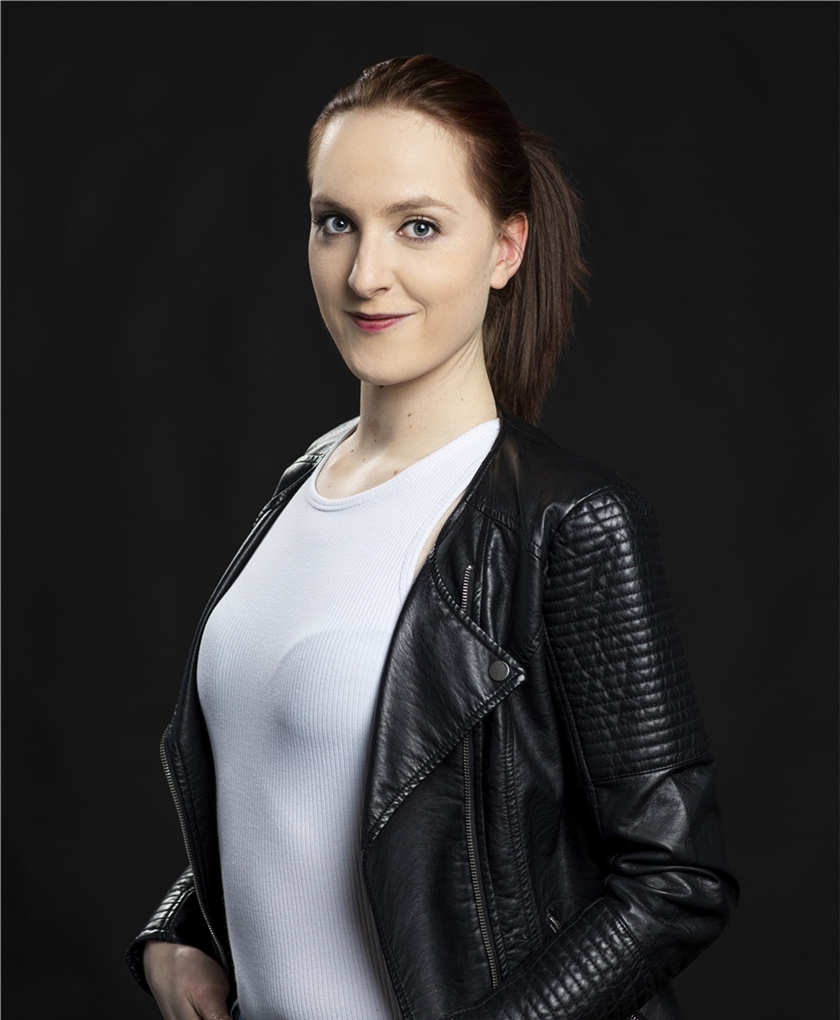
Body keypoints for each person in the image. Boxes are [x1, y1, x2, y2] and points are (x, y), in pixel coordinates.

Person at [128, 54, 737, 1020]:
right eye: (337, 223)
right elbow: (293, 786)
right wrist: (181, 930)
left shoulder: (568, 522)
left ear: (505, 249)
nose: (365, 274)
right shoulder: (303, 483)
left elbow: (675, 881)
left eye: (418, 226)